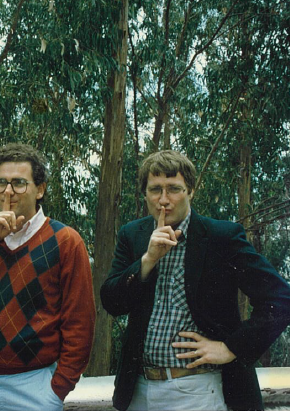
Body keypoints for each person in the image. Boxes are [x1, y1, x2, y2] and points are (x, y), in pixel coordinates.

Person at [101, 150, 290, 411]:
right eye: (155, 189)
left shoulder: (221, 237)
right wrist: (147, 260)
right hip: (139, 391)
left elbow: (281, 299)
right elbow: (112, 302)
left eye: (174, 189)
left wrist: (230, 347)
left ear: (191, 191)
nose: (163, 200)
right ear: (144, 193)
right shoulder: (133, 234)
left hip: (199, 390)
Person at [0, 143, 96, 411]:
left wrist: (57, 389)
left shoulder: (66, 241)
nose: (8, 191)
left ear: (40, 189)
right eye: (1, 183)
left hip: (33, 386)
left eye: (19, 183)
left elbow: (80, 324)